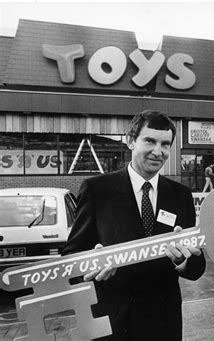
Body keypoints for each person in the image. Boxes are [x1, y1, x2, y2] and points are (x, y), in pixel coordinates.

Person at [62, 110, 206, 340]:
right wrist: (90, 265)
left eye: (165, 144)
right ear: (130, 141)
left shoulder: (181, 195)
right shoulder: (97, 190)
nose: (158, 151)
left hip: (163, 324)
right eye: (149, 141)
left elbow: (197, 267)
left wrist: (183, 260)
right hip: (113, 323)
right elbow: (71, 256)